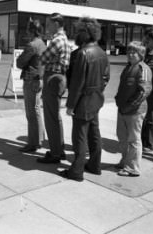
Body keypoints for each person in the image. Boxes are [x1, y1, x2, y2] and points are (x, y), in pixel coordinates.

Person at [61, 17, 109, 182]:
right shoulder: (101, 52)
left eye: (79, 31)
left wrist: (70, 105)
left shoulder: (83, 53)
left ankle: (77, 171)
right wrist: (97, 91)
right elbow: (106, 78)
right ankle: (95, 165)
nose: (76, 34)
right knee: (94, 133)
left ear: (85, 33)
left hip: (83, 101)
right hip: (96, 99)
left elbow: (77, 83)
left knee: (80, 136)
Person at [38, 13, 72, 164]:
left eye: (49, 24)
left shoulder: (57, 40)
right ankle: (59, 149)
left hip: (53, 77)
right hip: (59, 77)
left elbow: (43, 58)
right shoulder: (64, 39)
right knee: (55, 116)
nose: (47, 27)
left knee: (50, 117)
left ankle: (55, 153)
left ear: (57, 23)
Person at [115, 41, 152, 176]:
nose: (130, 54)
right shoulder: (128, 67)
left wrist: (129, 106)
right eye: (129, 51)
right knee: (122, 137)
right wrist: (118, 101)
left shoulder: (144, 69)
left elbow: (144, 91)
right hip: (123, 109)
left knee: (134, 139)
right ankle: (125, 161)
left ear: (141, 54)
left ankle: (133, 167)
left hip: (135, 111)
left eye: (134, 52)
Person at [16, 21, 47, 152]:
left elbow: (20, 62)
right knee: (37, 110)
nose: (27, 32)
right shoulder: (43, 44)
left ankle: (33, 143)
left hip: (31, 79)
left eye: (28, 30)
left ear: (33, 31)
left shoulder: (32, 45)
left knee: (31, 112)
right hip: (39, 79)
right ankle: (39, 139)